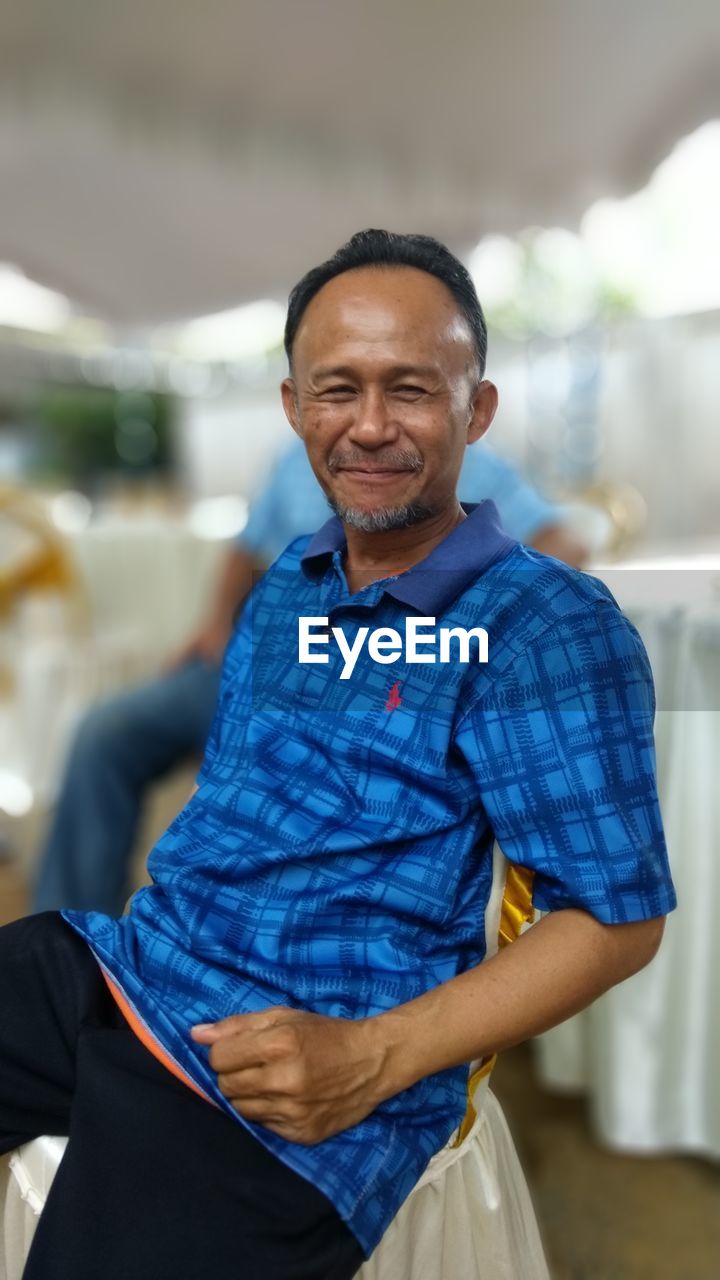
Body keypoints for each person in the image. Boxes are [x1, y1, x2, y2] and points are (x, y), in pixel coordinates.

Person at [2, 229, 675, 1280]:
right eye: (337, 389)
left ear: (477, 410)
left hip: (300, 1057)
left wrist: (372, 1056)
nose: (368, 425)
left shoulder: (543, 625)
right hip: (133, 969)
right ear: (291, 407)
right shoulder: (289, 585)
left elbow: (616, 916)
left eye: (410, 389)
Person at [32, 434, 587, 916]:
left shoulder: (469, 464)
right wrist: (217, 624)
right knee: (105, 732)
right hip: (261, 662)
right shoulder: (293, 461)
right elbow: (245, 551)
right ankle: (71, 946)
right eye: (340, 385)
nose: (369, 418)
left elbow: (563, 543)